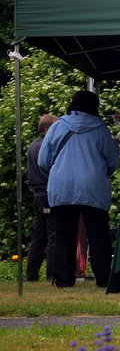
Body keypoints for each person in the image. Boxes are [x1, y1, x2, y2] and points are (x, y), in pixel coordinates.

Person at [39, 91, 120, 288]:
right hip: (93, 185)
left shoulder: (57, 126)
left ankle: (63, 280)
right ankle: (103, 278)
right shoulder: (101, 129)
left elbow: (43, 161)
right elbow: (113, 160)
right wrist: (98, 172)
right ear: (95, 106)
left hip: (62, 186)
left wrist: (58, 171)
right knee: (98, 234)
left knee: (63, 234)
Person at [25, 114, 59, 281]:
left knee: (38, 236)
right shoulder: (47, 146)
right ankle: (52, 275)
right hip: (48, 194)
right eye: (56, 126)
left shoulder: (33, 146)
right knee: (53, 234)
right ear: (47, 130)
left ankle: (31, 274)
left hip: (38, 195)